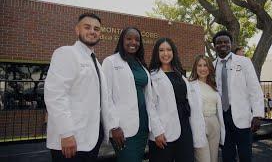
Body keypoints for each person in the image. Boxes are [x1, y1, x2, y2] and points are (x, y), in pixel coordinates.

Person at [44, 13, 118, 161]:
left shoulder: (96, 62)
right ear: (77, 30)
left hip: (91, 141)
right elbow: (55, 95)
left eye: (96, 29)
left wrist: (112, 126)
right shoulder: (66, 53)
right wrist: (66, 133)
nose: (92, 31)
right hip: (70, 142)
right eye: (87, 27)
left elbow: (103, 100)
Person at [101, 27, 153, 162]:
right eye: (129, 38)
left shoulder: (141, 64)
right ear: (122, 40)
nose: (133, 42)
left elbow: (148, 96)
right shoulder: (110, 62)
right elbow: (105, 97)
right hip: (122, 129)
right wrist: (114, 126)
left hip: (143, 126)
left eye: (137, 39)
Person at [148, 37, 203, 162]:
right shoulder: (152, 75)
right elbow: (150, 106)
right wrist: (157, 131)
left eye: (169, 50)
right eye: (161, 50)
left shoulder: (179, 74)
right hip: (164, 130)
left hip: (184, 126)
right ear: (157, 53)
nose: (165, 53)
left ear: (173, 52)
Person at [212, 30, 264, 162]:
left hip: (242, 117)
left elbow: (255, 89)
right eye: (219, 42)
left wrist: (257, 115)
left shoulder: (244, 62)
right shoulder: (212, 66)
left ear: (231, 44)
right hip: (221, 118)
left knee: (245, 155)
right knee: (227, 155)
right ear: (215, 46)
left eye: (226, 42)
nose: (223, 44)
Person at [189, 55, 225, 162]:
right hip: (199, 125)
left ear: (209, 68)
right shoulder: (190, 85)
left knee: (214, 159)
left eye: (205, 65)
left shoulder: (214, 86)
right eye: (199, 65)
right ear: (195, 68)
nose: (202, 68)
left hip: (214, 124)